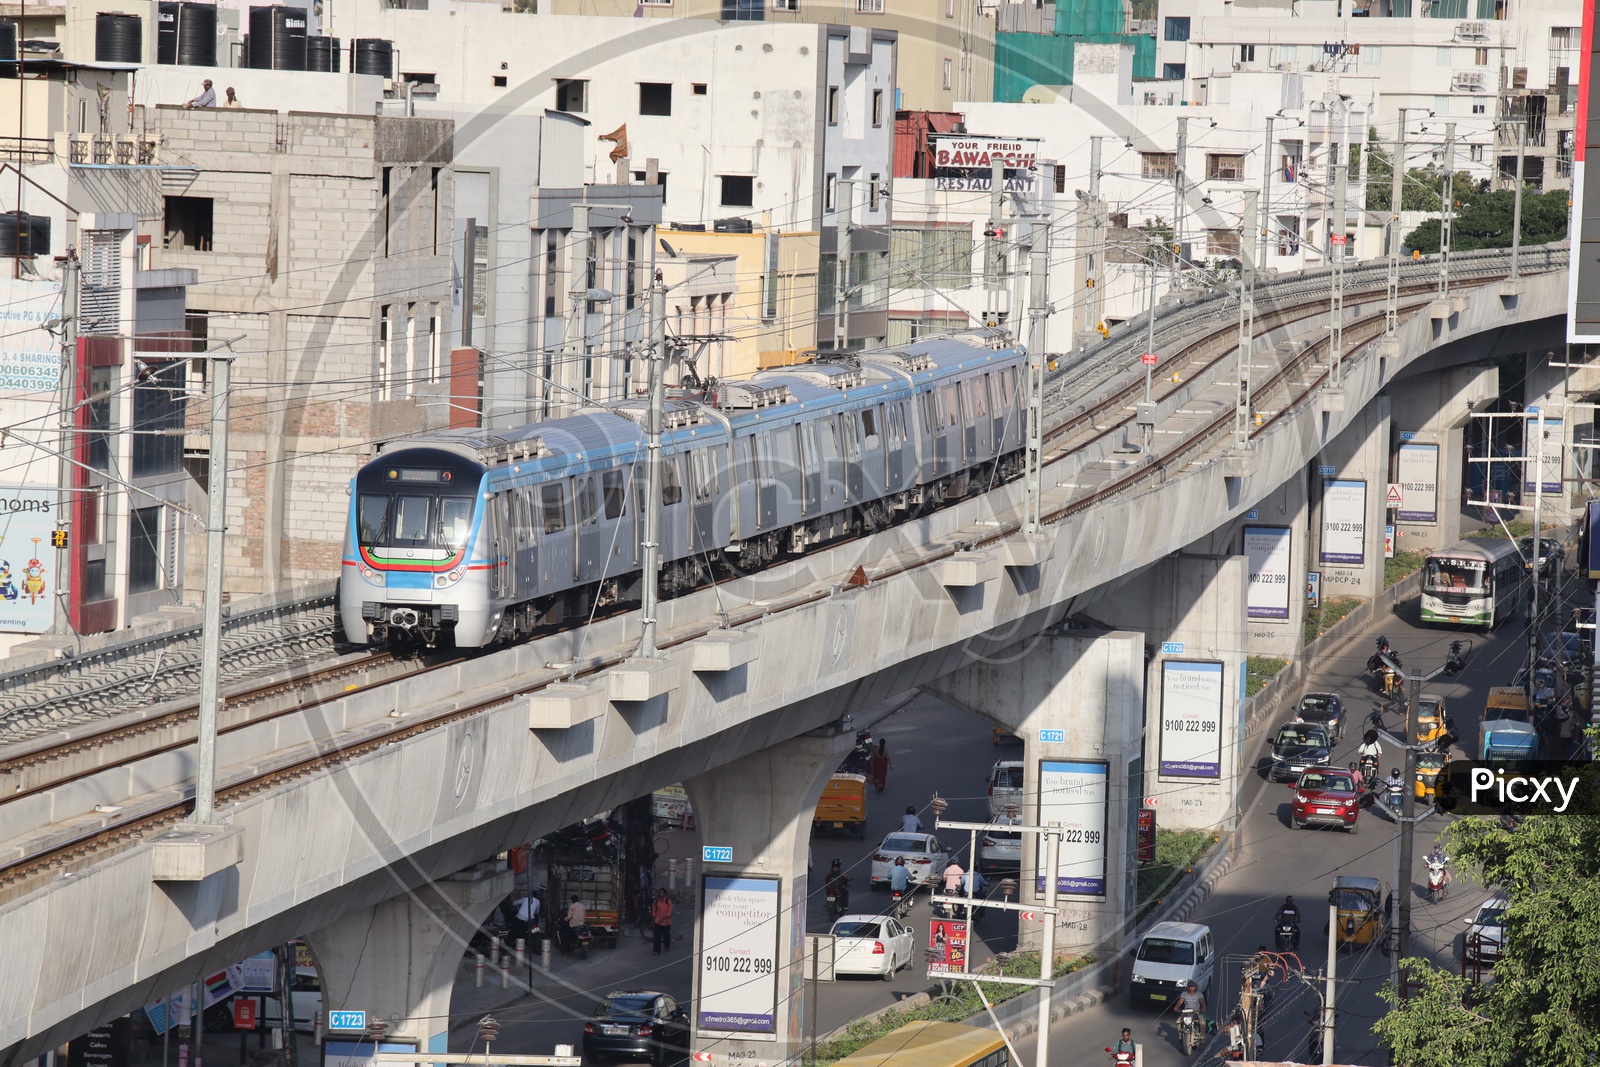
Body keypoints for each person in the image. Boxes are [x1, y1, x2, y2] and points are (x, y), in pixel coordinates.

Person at [651, 888, 672, 955]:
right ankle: (656, 950)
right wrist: (653, 921)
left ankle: (667, 946)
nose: (660, 894)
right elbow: (654, 911)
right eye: (660, 892)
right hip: (658, 921)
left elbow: (669, 913)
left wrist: (662, 920)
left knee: (666, 935)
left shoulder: (668, 901)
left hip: (666, 922)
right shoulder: (656, 901)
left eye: (662, 893)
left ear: (664, 894)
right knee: (657, 936)